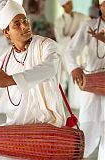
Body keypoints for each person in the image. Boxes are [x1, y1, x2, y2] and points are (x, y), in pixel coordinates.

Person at [0, 0, 66, 159]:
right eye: (17, 24)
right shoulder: (3, 62)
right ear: (6, 32)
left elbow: (49, 68)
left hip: (47, 128)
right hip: (17, 130)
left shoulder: (46, 46)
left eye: (25, 21)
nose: (24, 26)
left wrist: (11, 79)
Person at [65, 0, 105, 159]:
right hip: (91, 88)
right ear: (100, 7)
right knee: (86, 135)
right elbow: (71, 50)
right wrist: (74, 67)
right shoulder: (89, 25)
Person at [54, 0, 90, 109]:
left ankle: (77, 103)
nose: (71, 5)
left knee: (78, 75)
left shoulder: (81, 16)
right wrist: (73, 36)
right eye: (68, 3)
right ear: (63, 6)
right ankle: (59, 103)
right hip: (64, 51)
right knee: (62, 77)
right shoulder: (59, 21)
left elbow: (88, 24)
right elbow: (60, 39)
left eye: (70, 2)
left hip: (77, 52)